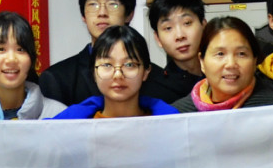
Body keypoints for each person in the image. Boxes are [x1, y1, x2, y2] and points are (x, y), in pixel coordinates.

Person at [40, 0, 137, 107]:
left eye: (113, 4)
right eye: (93, 4)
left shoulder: (154, 77)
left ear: (129, 14)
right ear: (83, 15)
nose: (102, 13)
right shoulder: (58, 78)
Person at [51, 26, 179, 119]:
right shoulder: (68, 127)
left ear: (146, 72)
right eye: (107, 65)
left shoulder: (170, 124)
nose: (118, 75)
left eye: (129, 65)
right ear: (94, 72)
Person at [173, 18, 273, 113]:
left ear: (254, 61)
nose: (231, 64)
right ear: (202, 61)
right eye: (220, 54)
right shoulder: (177, 115)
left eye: (241, 54)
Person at [141, 0, 206, 105]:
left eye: (187, 23)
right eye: (168, 28)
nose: (180, 35)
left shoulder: (224, 76)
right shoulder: (156, 93)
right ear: (158, 39)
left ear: (204, 26)